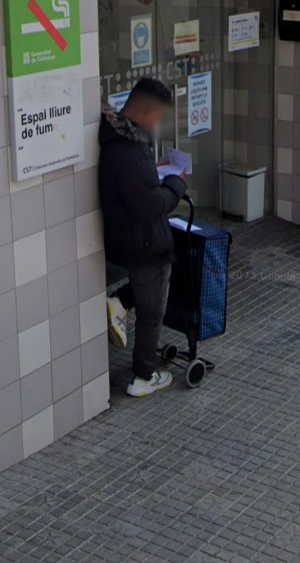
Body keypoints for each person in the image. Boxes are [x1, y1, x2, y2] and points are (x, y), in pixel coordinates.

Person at [100, 78, 187, 398]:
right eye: (159, 115)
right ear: (146, 110)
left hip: (127, 237)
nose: (159, 123)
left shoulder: (115, 136)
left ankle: (119, 302)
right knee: (153, 312)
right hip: (145, 242)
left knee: (144, 286)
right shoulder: (131, 150)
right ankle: (143, 377)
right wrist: (176, 185)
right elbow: (151, 205)